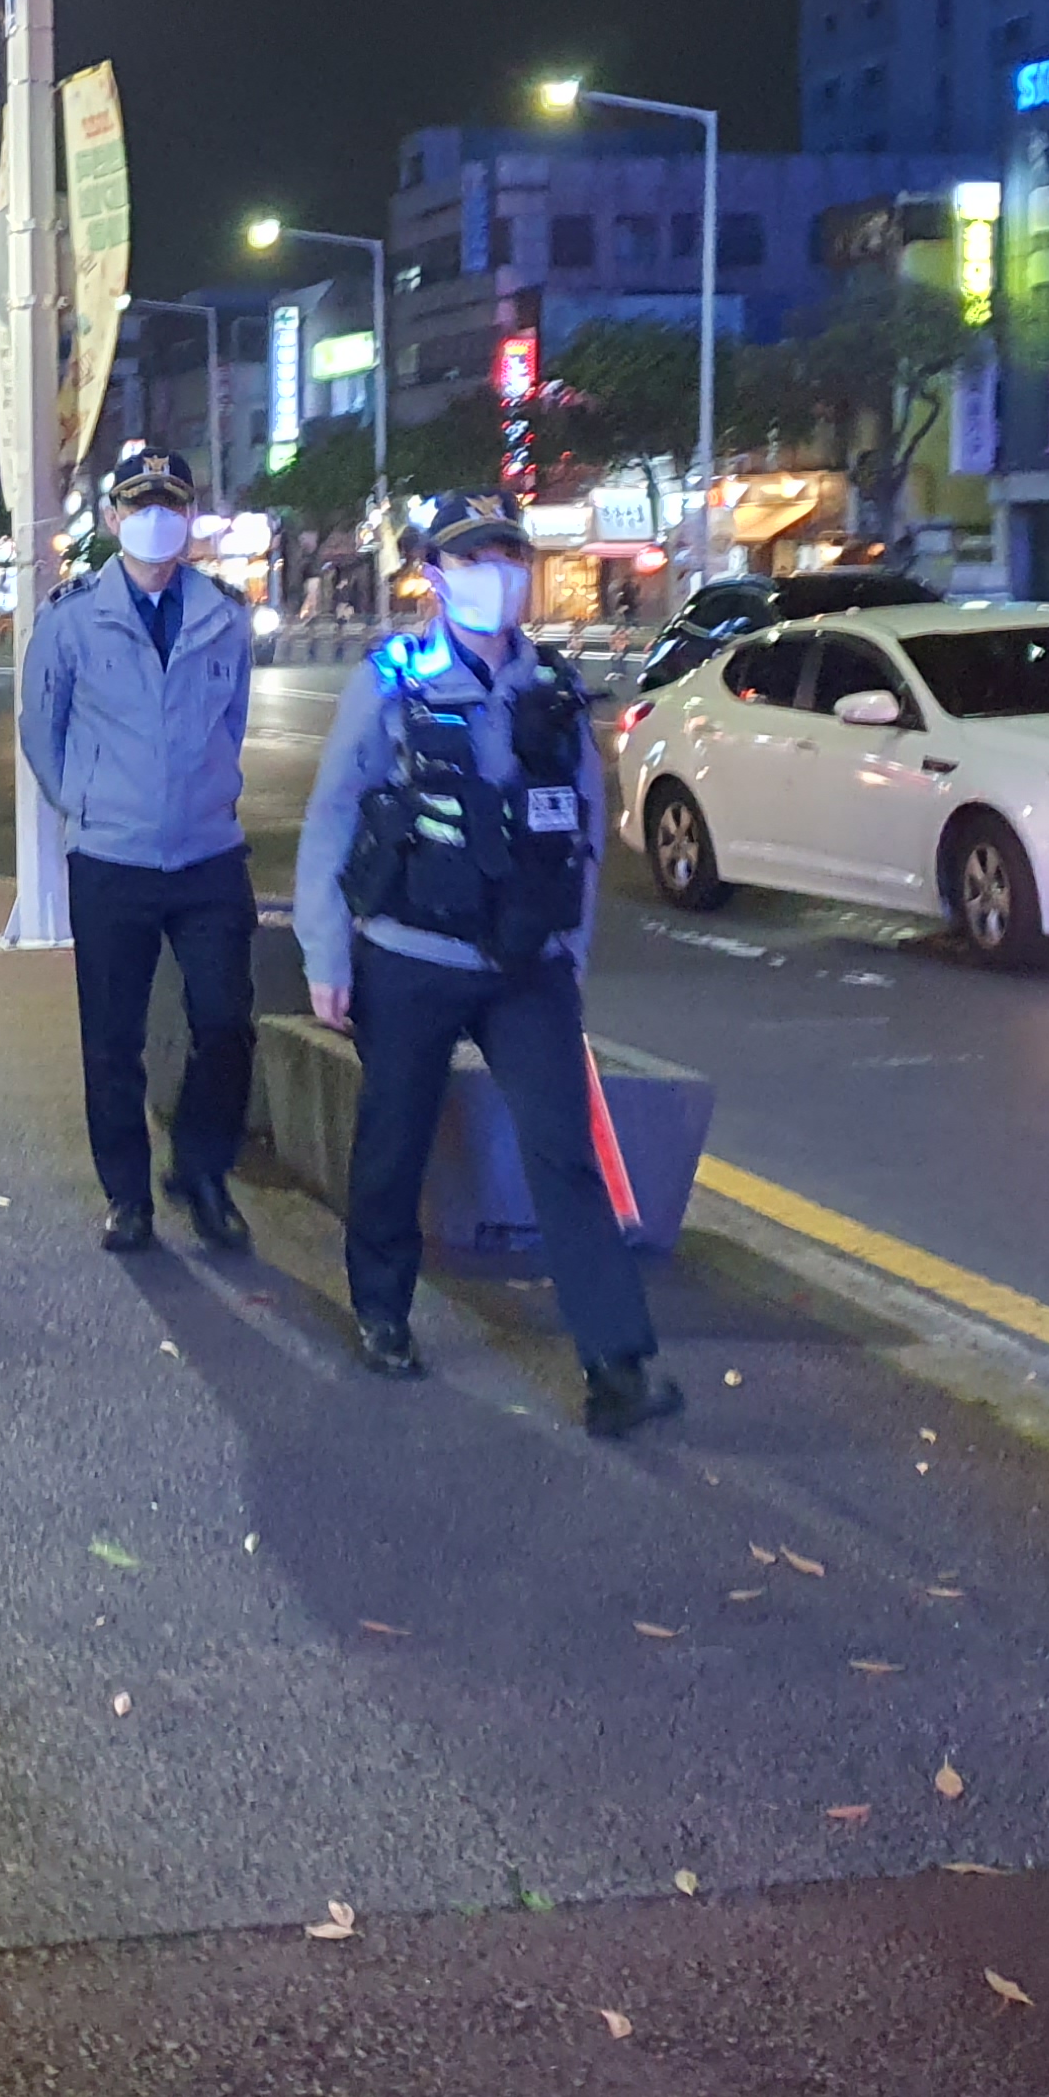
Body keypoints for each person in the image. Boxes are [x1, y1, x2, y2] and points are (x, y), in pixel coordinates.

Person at [294, 494, 681, 1435]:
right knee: (394, 1138)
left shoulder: (551, 685)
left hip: (526, 967)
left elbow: (585, 833)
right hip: (410, 955)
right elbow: (334, 813)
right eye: (473, 559)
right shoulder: (390, 681)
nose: (496, 573)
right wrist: (325, 950)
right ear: (434, 576)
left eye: (508, 555)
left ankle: (617, 1364)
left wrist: (573, 951)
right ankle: (382, 1310)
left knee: (566, 1152)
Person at [20, 438, 257, 1254]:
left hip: (208, 853)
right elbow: (39, 727)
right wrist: (81, 804)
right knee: (111, 1036)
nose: (155, 520)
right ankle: (127, 1193)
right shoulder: (72, 616)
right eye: (139, 505)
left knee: (226, 1024)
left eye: (171, 505)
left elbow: (235, 722)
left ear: (191, 518)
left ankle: (201, 1169)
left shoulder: (227, 615)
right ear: (113, 516)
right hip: (112, 856)